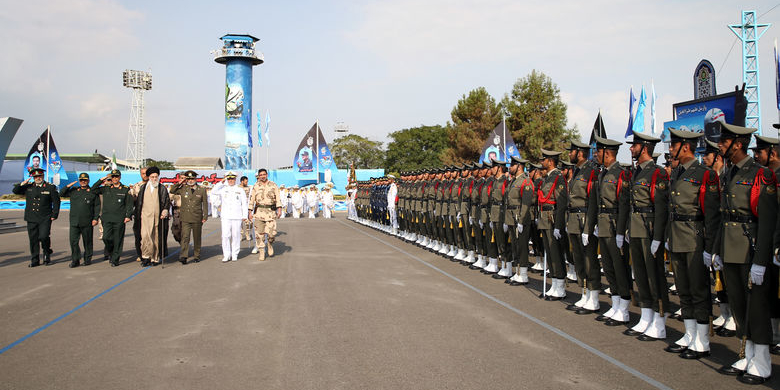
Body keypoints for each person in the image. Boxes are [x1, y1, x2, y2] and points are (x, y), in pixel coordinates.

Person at [714, 123, 776, 384]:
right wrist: (716, 249)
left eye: (724, 141)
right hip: (730, 248)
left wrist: (761, 261)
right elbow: (723, 215)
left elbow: (768, 221)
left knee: (757, 308)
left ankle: (762, 361)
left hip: (751, 250)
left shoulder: (761, 174)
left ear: (737, 144)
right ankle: (747, 353)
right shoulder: (729, 173)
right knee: (739, 304)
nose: (719, 145)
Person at [624, 132, 672, 341]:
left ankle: (660, 319)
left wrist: (658, 237)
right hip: (636, 229)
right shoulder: (637, 172)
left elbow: (662, 208)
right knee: (641, 275)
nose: (631, 149)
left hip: (649, 229)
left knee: (655, 277)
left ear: (644, 148)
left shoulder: (657, 173)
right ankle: (646, 315)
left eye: (633, 146)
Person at [591, 135, 631, 324]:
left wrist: (621, 232)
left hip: (615, 225)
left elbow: (623, 205)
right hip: (604, 224)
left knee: (619, 268)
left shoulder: (620, 174)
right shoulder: (602, 173)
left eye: (598, 151)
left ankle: (623, 308)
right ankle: (615, 304)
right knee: (608, 267)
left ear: (607, 153)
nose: (596, 154)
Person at [563, 140, 601, 314]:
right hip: (574, 219)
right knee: (578, 258)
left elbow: (593, 201)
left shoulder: (591, 171)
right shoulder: (577, 171)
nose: (569, 154)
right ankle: (584, 293)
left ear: (579, 153)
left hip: (584, 219)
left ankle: (593, 297)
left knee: (588, 260)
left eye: (571, 152)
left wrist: (589, 227)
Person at [13, 168, 60, 267]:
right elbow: (15, 191)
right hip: (31, 217)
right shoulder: (28, 187)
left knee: (43, 236)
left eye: (39, 176)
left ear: (43, 176)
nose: (38, 178)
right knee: (33, 239)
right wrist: (22, 184)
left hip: (45, 217)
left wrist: (54, 214)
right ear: (33, 178)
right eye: (35, 177)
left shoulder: (50, 187)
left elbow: (56, 202)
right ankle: (35, 259)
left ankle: (47, 253)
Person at [537, 149, 568, 300]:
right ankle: (554, 284)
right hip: (545, 218)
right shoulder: (548, 178)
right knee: (549, 253)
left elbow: (561, 204)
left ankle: (560, 286)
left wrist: (558, 225)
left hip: (553, 219)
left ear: (550, 161)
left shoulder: (558, 177)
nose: (542, 162)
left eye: (544, 159)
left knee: (556, 254)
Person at [91, 170, 133, 266]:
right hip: (107, 218)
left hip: (119, 219)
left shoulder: (125, 189)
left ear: (120, 177)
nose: (115, 178)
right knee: (106, 238)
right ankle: (111, 251)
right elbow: (93, 189)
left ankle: (115, 259)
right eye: (113, 176)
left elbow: (129, 205)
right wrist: (101, 179)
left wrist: (128, 216)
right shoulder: (106, 188)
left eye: (116, 176)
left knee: (118, 240)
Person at [60, 173, 100, 267]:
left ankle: (87, 258)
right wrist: (68, 185)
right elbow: (61, 193)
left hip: (87, 221)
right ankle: (75, 259)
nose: (83, 182)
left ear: (88, 181)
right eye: (81, 180)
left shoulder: (92, 192)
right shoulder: (74, 191)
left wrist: (95, 218)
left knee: (87, 241)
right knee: (73, 241)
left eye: (85, 180)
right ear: (79, 181)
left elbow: (97, 206)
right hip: (74, 221)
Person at [133, 167, 170, 267]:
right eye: (152, 177)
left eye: (156, 177)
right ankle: (145, 257)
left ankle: (155, 258)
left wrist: (165, 211)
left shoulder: (162, 188)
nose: (154, 179)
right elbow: (139, 203)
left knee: (156, 238)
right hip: (145, 217)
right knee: (145, 237)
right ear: (149, 177)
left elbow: (166, 201)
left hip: (158, 217)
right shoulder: (143, 188)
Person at [169, 170, 208, 264]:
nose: (190, 181)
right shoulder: (183, 188)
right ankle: (183, 256)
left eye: (192, 178)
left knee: (197, 237)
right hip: (185, 217)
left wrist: (205, 216)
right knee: (185, 237)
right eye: (189, 179)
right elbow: (172, 190)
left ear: (195, 179)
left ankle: (197, 255)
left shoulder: (201, 190)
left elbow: (205, 204)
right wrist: (180, 182)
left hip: (197, 217)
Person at [210, 172, 248, 262]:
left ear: (235, 179)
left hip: (237, 216)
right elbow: (213, 191)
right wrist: (221, 182)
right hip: (226, 216)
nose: (230, 181)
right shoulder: (223, 189)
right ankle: (226, 254)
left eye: (232, 179)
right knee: (225, 236)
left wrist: (244, 215)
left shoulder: (240, 190)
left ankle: (235, 254)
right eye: (229, 179)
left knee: (236, 235)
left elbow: (244, 203)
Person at [248, 168, 282, 261]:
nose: (262, 176)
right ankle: (262, 252)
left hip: (270, 212)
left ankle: (270, 244)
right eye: (261, 175)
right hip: (259, 212)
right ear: (258, 176)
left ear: (267, 175)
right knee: (259, 234)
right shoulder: (255, 186)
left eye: (264, 174)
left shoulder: (273, 185)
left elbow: (278, 198)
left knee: (272, 234)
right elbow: (251, 199)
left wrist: (279, 209)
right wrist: (250, 212)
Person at [130, 167, 149, 262]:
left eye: (146, 173)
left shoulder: (154, 185)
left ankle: (149, 253)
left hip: (150, 215)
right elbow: (131, 201)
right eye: (142, 173)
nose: (144, 175)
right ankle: (140, 254)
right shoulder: (136, 186)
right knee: (138, 236)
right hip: (139, 215)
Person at [240, 176, 254, 242]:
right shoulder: (237, 188)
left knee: (250, 222)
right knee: (239, 222)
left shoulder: (249, 188)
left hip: (247, 206)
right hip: (239, 207)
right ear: (242, 181)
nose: (247, 183)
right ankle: (240, 234)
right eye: (246, 181)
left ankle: (248, 233)